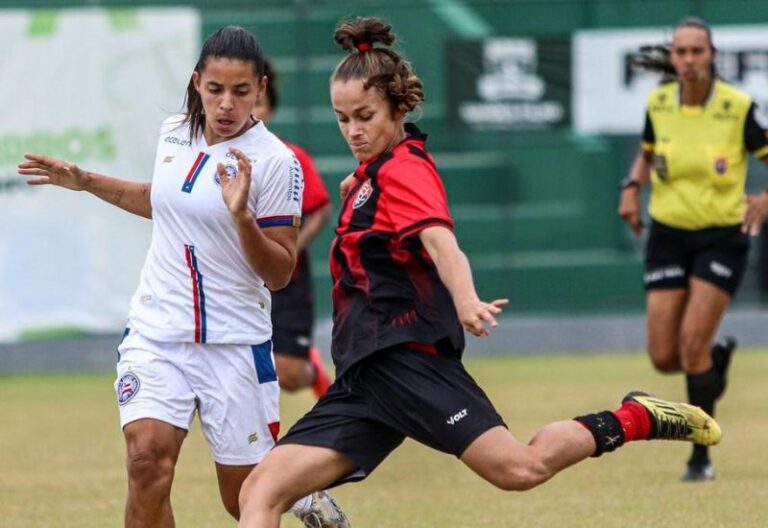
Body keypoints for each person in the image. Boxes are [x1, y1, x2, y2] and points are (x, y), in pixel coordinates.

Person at [235, 17, 723, 527]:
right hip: (364, 377)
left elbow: (442, 243)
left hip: (409, 362)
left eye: (365, 116)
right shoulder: (371, 173)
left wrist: (465, 298)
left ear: (398, 107)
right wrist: (358, 189)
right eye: (342, 119)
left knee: (520, 468)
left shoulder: (405, 170)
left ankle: (635, 417)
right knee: (260, 491)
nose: (353, 130)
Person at [18, 26, 348, 528]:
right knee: (146, 461)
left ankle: (299, 494)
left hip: (235, 344)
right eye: (215, 89)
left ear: (260, 88)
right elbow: (162, 201)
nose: (226, 104)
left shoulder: (277, 162)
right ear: (196, 83)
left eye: (240, 91)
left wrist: (242, 217)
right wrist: (86, 182)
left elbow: (281, 272)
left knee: (244, 500)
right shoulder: (173, 130)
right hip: (158, 333)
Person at [618, 17, 768, 481]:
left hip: (722, 236)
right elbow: (648, 153)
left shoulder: (737, 107)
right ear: (673, 58)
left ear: (713, 56)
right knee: (665, 357)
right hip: (668, 235)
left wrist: (764, 198)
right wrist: (631, 187)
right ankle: (712, 368)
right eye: (680, 52)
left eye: (697, 51)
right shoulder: (660, 103)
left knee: (692, 346)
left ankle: (700, 458)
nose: (688, 60)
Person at [252, 58, 333, 398]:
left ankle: (312, 369)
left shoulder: (290, 157)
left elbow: (321, 209)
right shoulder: (214, 157)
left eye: (259, 103)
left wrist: (290, 248)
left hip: (286, 279)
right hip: (239, 277)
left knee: (288, 374)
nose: (252, 111)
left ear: (270, 110)